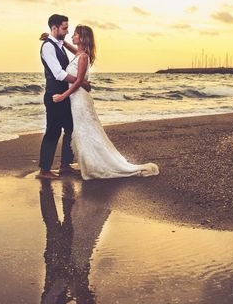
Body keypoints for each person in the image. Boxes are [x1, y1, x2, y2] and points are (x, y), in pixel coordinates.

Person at [52, 25, 159, 180]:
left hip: (80, 99)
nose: (72, 37)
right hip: (76, 100)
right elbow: (71, 49)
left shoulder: (83, 57)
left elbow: (79, 81)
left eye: (75, 35)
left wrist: (63, 95)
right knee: (84, 131)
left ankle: (95, 165)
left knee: (86, 131)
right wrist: (58, 41)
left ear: (82, 38)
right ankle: (89, 164)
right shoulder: (79, 54)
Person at [38, 14, 91, 180]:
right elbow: (59, 73)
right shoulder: (48, 47)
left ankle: (65, 165)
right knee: (53, 131)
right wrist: (80, 82)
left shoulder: (59, 45)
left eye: (68, 28)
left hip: (66, 96)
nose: (67, 31)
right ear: (54, 28)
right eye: (64, 28)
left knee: (70, 128)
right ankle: (44, 169)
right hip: (55, 95)